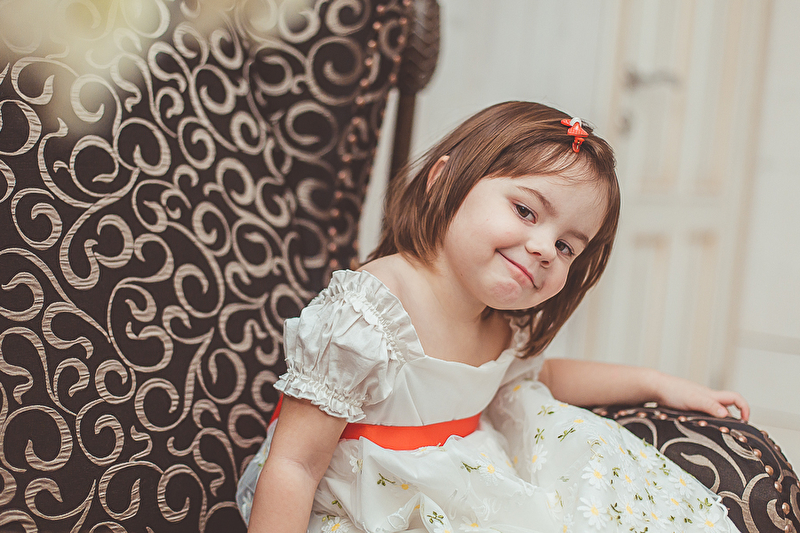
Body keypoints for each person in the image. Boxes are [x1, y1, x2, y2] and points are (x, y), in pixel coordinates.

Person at [236, 101, 750, 533]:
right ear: (443, 180)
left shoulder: (500, 324)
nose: (545, 248)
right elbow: (295, 465)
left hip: (459, 495)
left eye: (567, 246)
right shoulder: (368, 313)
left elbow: (545, 375)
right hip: (362, 508)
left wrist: (656, 384)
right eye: (526, 211)